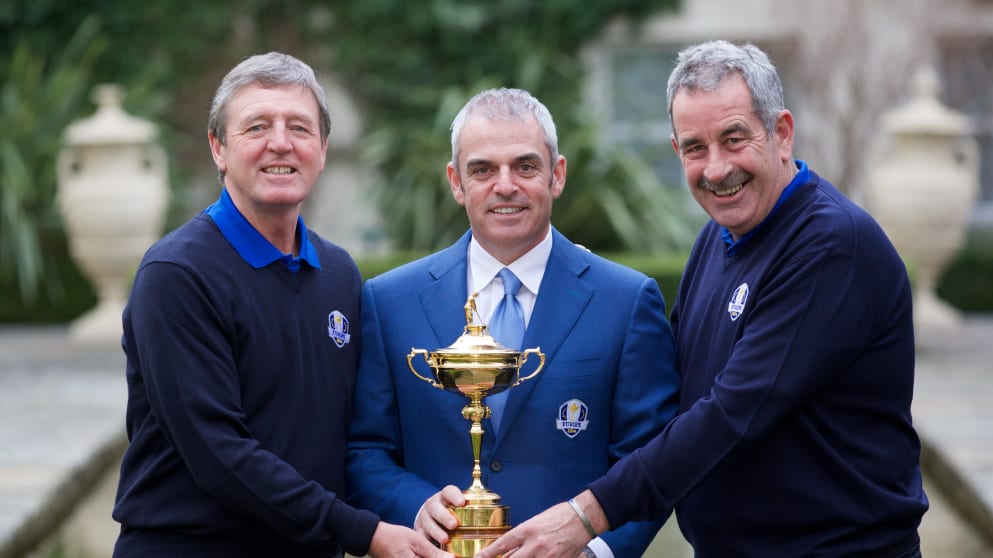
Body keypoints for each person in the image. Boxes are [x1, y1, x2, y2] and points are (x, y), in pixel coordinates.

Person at [478, 40, 929, 558]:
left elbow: (729, 415)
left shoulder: (830, 247)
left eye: (734, 139)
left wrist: (584, 515)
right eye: (696, 147)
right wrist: (584, 297)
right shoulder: (718, 239)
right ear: (677, 151)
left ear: (781, 134)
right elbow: (673, 390)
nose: (716, 169)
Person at [111, 52, 450, 558]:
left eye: (299, 127)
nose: (280, 143)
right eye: (256, 127)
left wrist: (426, 503)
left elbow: (361, 433)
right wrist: (364, 532)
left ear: (323, 149)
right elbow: (220, 455)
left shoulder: (338, 274)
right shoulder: (177, 276)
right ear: (218, 149)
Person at [345, 87, 680, 558]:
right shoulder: (389, 301)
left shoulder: (626, 301)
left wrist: (593, 550)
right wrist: (414, 505)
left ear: (556, 175)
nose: (505, 185)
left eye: (525, 166)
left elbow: (652, 458)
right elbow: (364, 450)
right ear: (456, 181)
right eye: (482, 169)